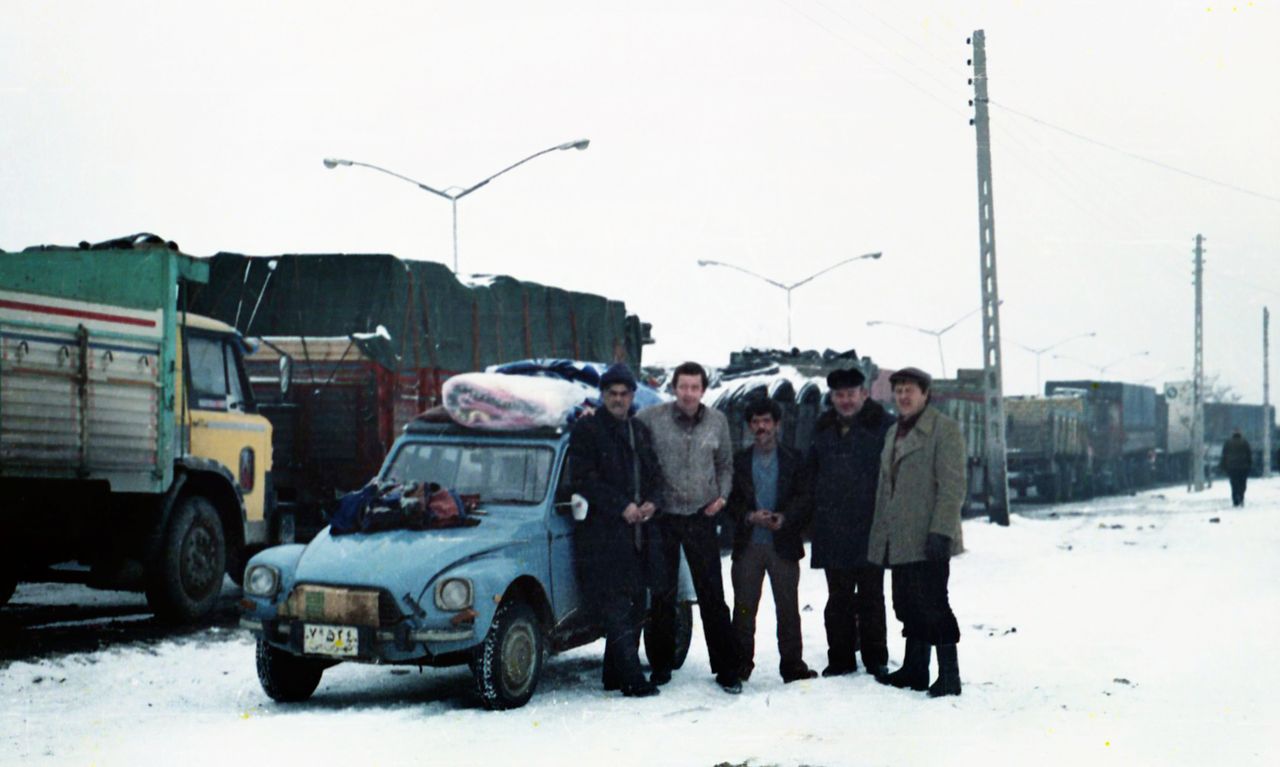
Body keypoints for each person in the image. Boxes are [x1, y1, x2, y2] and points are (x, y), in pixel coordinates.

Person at [637, 361, 743, 694]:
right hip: (664, 517)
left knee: (712, 594)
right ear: (674, 388)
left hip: (701, 516)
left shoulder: (717, 421)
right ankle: (661, 665)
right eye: (683, 387)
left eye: (694, 388)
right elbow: (625, 431)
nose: (688, 393)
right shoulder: (652, 419)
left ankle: (726, 669)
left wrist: (722, 498)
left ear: (703, 390)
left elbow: (726, 465)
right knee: (663, 594)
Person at [868, 366, 966, 697]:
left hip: (928, 538)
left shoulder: (943, 430)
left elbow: (952, 486)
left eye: (910, 390)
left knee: (934, 604)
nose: (904, 397)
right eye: (898, 391)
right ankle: (915, 670)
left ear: (925, 394)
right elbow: (886, 489)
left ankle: (949, 675)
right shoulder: (893, 433)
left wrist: (942, 532)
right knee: (907, 604)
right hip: (899, 538)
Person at [568, 363, 664, 697]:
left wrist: (652, 501)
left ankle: (613, 673)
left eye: (624, 394)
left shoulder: (638, 431)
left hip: (639, 533)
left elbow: (654, 474)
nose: (618, 399)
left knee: (636, 604)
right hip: (603, 536)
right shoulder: (588, 431)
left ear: (632, 396)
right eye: (612, 394)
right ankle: (632, 679)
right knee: (619, 606)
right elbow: (582, 480)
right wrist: (620, 506)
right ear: (602, 395)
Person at [807, 366, 895, 678]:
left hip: (871, 526)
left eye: (851, 394)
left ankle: (875, 657)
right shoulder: (822, 428)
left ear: (864, 394)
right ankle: (841, 658)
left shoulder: (884, 426)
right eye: (839, 395)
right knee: (838, 597)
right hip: (832, 527)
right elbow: (811, 476)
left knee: (872, 595)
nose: (845, 400)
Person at [725, 398, 816, 684]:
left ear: (777, 424)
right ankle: (739, 664)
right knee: (743, 608)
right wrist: (750, 516)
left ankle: (792, 665)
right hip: (749, 544)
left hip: (783, 544)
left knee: (788, 608)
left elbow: (805, 497)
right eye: (755, 422)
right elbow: (730, 501)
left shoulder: (794, 459)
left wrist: (785, 518)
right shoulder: (739, 461)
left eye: (766, 421)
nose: (761, 427)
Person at [1220, 428, 1253, 507]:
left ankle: (1235, 500)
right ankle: (1241, 496)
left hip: (1232, 467)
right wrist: (1250, 465)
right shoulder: (1245, 442)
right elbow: (1249, 455)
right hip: (1243, 467)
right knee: (1242, 484)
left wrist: (1223, 466)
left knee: (1234, 484)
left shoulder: (1228, 443)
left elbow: (1224, 455)